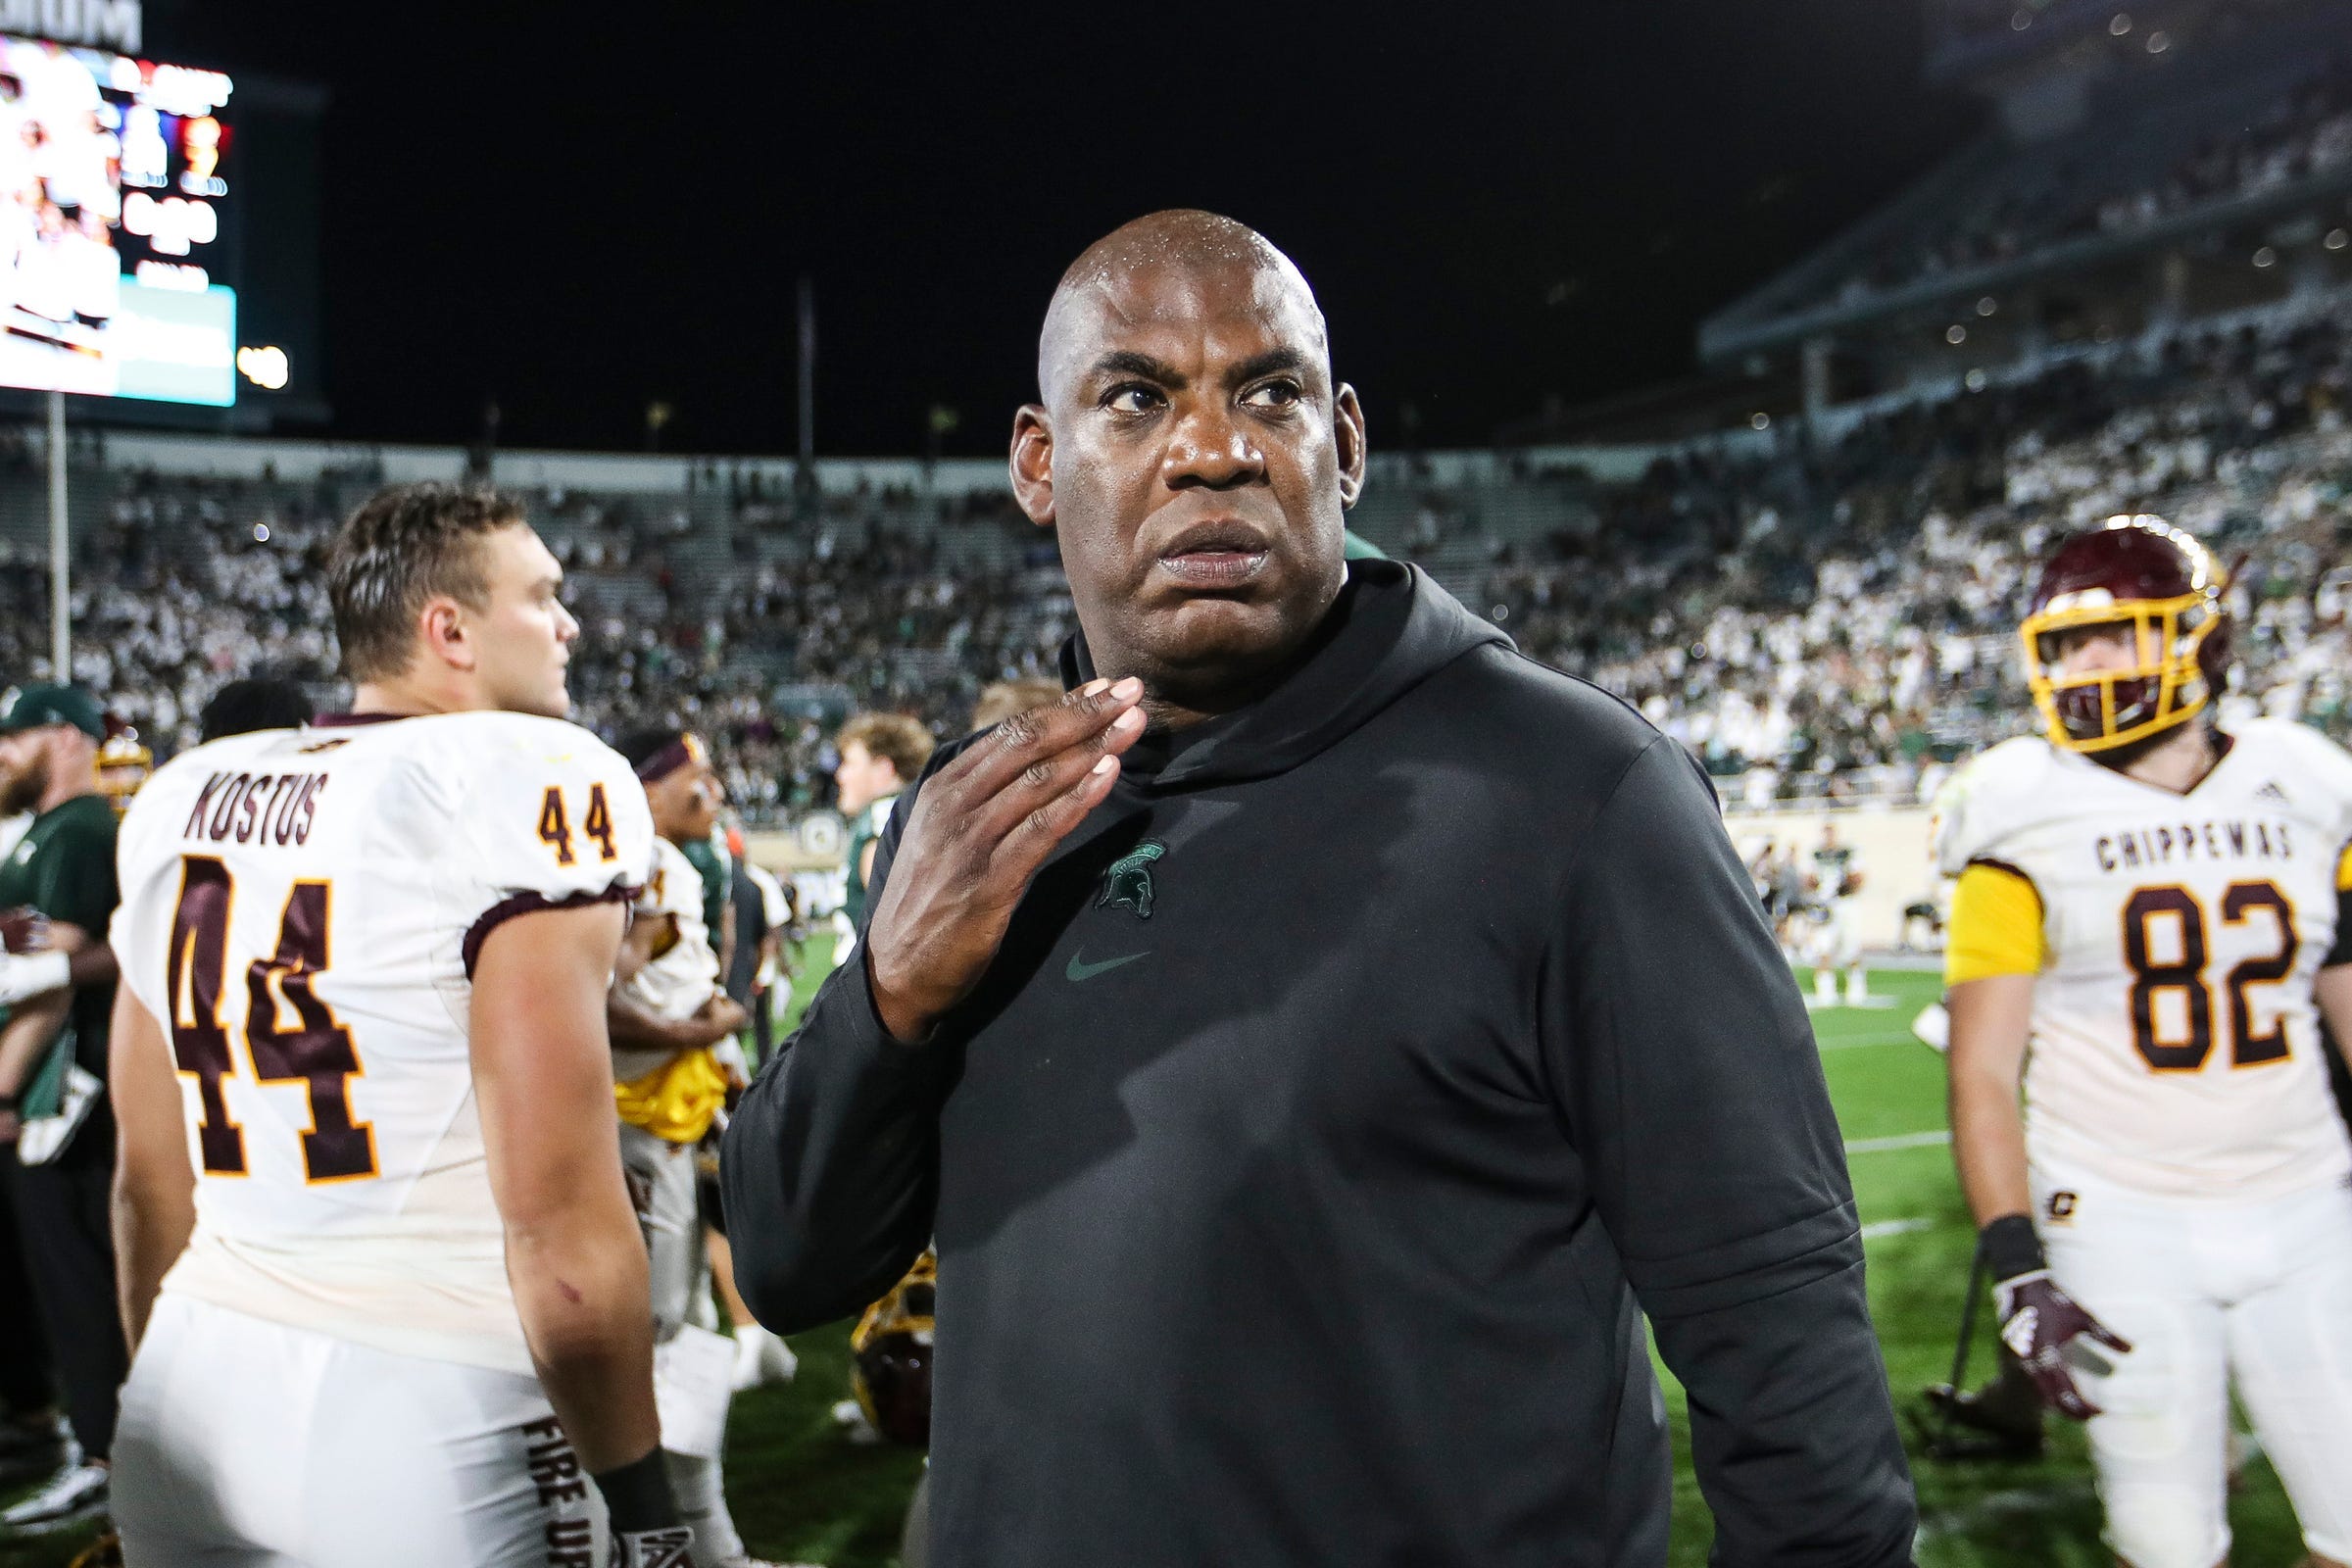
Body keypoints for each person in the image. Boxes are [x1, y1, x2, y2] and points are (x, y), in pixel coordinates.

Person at [722, 210, 1916, 1567]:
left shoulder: (1578, 793)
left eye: (1268, 393)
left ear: (1342, 444)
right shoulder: (978, 821)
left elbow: (1776, 1326)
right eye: (1136, 398)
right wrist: (888, 998)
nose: (1215, 451)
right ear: (1041, 465)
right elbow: (784, 1260)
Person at [106, 484, 696, 1566]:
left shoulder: (183, 793)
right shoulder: (528, 780)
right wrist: (656, 1514)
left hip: (187, 1383)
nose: (568, 624)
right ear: (451, 630)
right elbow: (560, 1228)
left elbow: (149, 1178)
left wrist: (157, 1391)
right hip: (430, 1408)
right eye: (544, 596)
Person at [1936, 514, 2352, 1568]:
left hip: (2308, 1201)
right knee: (2167, 1543)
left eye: (2110, 637)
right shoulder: (2018, 808)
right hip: (2121, 1220)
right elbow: (1981, 1065)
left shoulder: (2306, 779)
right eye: (2065, 644)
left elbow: (2345, 994)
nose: (2082, 667)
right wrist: (2017, 1262)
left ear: (2197, 639)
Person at [605, 726, 770, 1568]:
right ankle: (673, 1540)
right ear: (649, 787)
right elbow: (598, 996)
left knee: (683, 1325)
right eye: (692, 778)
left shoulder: (657, 859)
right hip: (636, 1118)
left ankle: (699, 1538)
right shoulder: (643, 861)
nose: (711, 792)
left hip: (655, 1112)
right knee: (660, 1331)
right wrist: (694, 1029)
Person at [0, 684, 126, 1532]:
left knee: (75, 1277)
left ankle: (103, 1454)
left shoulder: (81, 830)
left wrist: (3, 1087)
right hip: (35, 1086)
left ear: (68, 738)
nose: (4, 751)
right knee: (40, 1277)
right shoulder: (40, 832)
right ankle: (55, 1426)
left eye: (19, 736)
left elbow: (49, 983)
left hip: (58, 1093)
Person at [829, 712, 933, 951]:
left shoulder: (883, 816)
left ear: (883, 769)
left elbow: (891, 907)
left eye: (850, 763)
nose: (840, 775)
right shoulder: (911, 809)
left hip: (866, 976)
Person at [1809, 820, 1868, 1006]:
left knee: (1851, 946)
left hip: (1845, 903)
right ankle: (1826, 991)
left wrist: (1845, 882)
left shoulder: (1848, 853)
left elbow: (1859, 878)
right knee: (1824, 946)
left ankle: (1856, 987)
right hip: (1825, 905)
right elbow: (1808, 879)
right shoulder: (1816, 855)